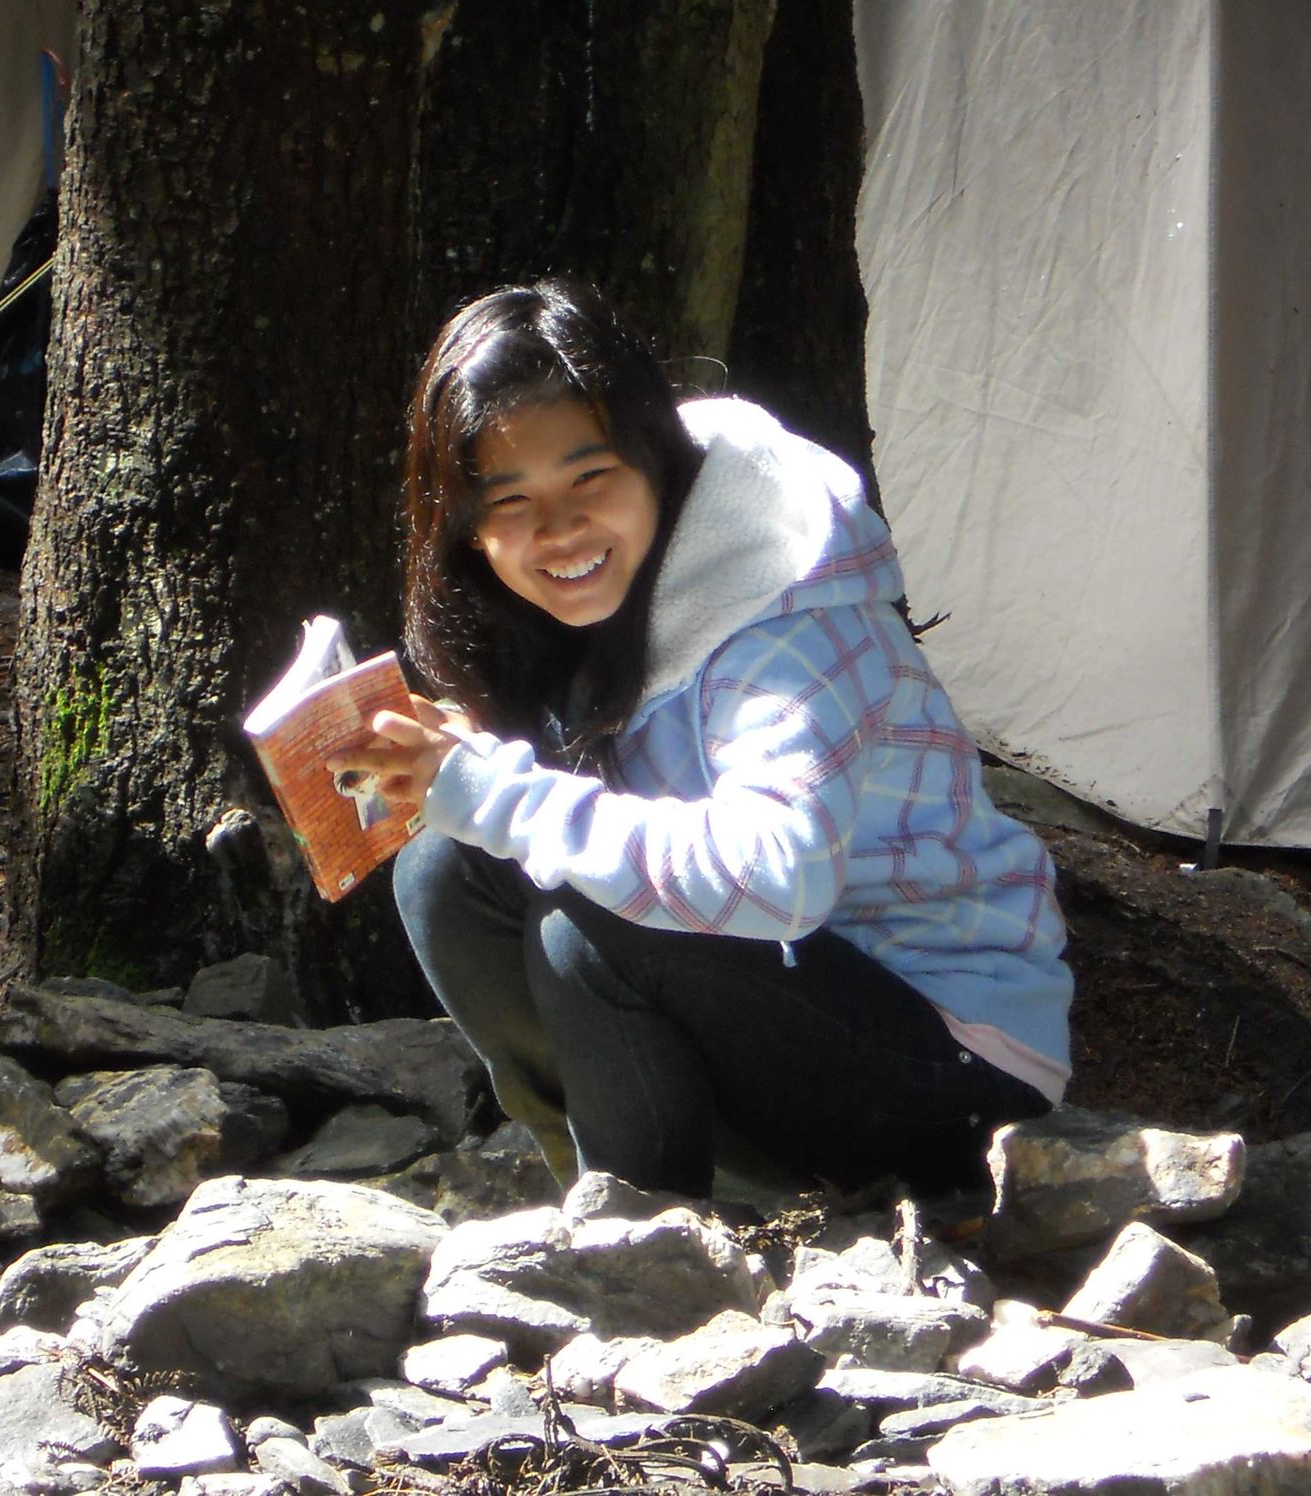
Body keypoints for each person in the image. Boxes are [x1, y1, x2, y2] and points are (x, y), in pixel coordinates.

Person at [329, 279, 1071, 1200]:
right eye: (509, 499)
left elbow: (779, 878)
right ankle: (604, 1190)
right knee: (445, 869)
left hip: (955, 1068)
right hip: (773, 1035)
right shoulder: (588, 608)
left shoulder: (784, 616)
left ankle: (639, 1247)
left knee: (593, 923)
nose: (558, 530)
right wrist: (459, 766)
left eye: (590, 478)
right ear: (467, 529)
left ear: (654, 461)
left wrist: (499, 793)